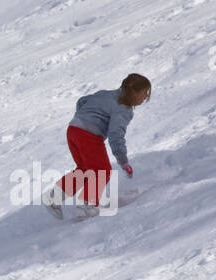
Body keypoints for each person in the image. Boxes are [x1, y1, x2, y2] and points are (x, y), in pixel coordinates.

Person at [43, 73, 151, 219]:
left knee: (85, 170)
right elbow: (116, 136)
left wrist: (83, 118)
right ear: (134, 92)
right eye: (145, 93)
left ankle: (53, 198)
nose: (145, 97)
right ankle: (86, 206)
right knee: (102, 170)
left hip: (73, 130)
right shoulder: (124, 109)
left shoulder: (106, 94)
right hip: (89, 135)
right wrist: (123, 161)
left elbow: (82, 101)